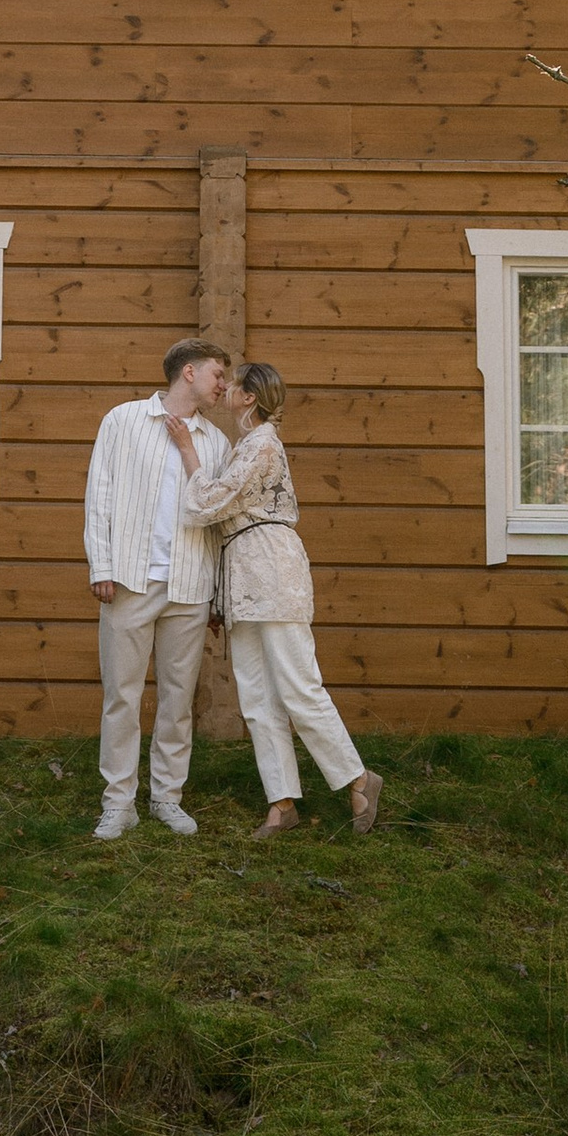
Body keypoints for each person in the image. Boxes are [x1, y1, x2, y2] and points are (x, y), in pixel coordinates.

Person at [168, 359, 381, 839]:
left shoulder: (262, 446)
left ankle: (359, 778)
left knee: (298, 686)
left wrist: (187, 452)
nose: (224, 388)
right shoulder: (245, 446)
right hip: (244, 574)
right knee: (257, 697)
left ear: (248, 397)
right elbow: (227, 529)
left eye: (234, 383)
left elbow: (208, 505)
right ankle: (281, 803)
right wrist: (223, 598)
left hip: (273, 570)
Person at [82, 336, 230, 840]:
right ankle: (118, 804)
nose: (223, 385)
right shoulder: (122, 421)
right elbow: (99, 496)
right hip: (128, 579)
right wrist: (101, 565)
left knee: (178, 700)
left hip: (190, 586)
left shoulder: (216, 442)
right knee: (121, 696)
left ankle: (168, 797)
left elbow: (219, 520)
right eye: (217, 374)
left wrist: (217, 594)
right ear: (188, 372)